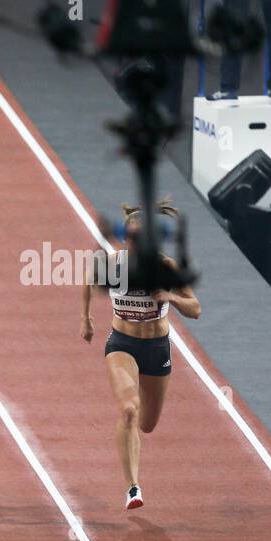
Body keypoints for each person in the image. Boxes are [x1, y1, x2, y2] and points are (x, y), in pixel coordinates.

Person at [82, 199, 200, 509]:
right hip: (122, 343)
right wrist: (87, 319)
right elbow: (89, 279)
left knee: (147, 424)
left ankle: (134, 475)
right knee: (129, 410)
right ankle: (133, 487)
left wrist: (170, 297)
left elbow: (196, 309)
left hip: (156, 347)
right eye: (131, 237)